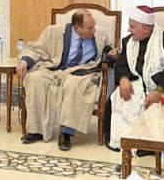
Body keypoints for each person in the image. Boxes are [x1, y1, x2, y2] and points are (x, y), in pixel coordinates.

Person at [19, 9, 112, 151]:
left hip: (82, 72)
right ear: (77, 27)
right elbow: (35, 49)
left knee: (72, 85)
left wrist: (111, 55)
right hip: (56, 69)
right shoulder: (53, 32)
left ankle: (66, 133)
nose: (93, 30)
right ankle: (36, 131)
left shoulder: (100, 34)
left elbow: (108, 51)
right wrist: (24, 62)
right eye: (89, 28)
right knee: (35, 79)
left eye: (93, 26)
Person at [104, 6, 164, 151]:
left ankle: (152, 145)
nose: (129, 30)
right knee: (118, 97)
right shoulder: (128, 42)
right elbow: (122, 63)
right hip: (140, 83)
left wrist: (159, 91)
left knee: (163, 101)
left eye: (132, 26)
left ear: (144, 28)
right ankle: (125, 139)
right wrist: (123, 79)